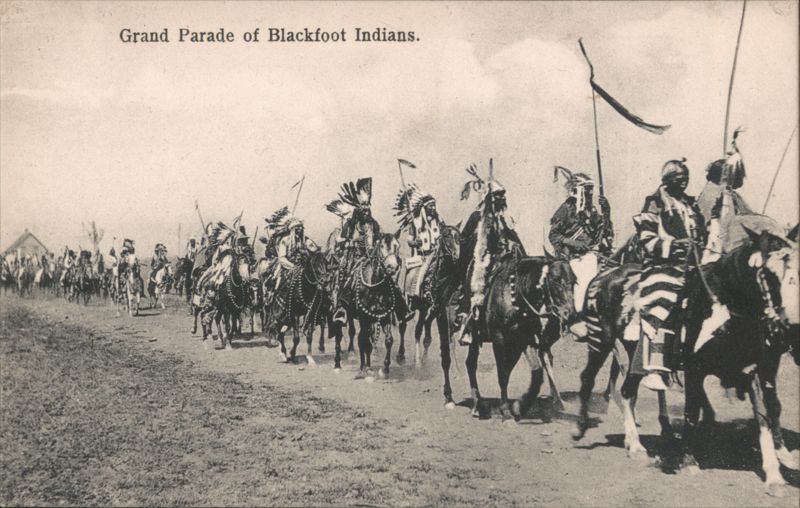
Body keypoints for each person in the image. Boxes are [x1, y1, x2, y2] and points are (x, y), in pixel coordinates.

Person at [633, 158, 706, 391]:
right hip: (662, 266)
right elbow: (646, 238)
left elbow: (701, 234)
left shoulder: (691, 205)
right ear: (667, 180)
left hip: (693, 266)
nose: (683, 183)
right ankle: (654, 367)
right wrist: (676, 245)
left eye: (686, 178)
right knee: (665, 299)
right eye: (678, 179)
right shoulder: (655, 203)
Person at [455, 172, 525, 346]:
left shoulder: (504, 218)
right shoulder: (476, 217)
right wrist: (476, 244)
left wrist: (523, 255)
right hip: (483, 258)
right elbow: (463, 240)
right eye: (497, 195)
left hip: (503, 256)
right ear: (489, 198)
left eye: (502, 195)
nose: (501, 198)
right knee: (473, 279)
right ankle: (468, 322)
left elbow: (514, 236)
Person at [548, 167, 614, 340]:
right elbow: (554, 235)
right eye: (587, 189)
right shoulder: (566, 209)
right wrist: (575, 243)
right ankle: (577, 319)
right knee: (585, 278)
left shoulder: (592, 212)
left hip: (593, 254)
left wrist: (607, 212)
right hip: (572, 257)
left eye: (591, 189)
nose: (590, 192)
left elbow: (604, 233)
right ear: (578, 190)